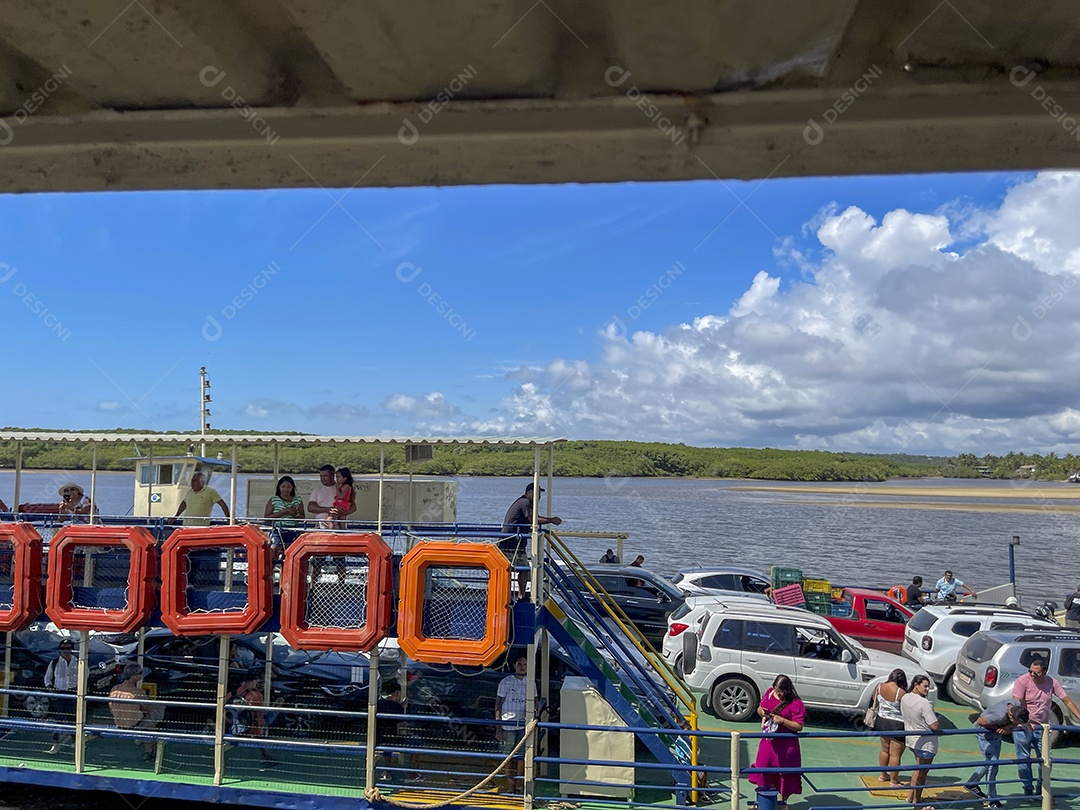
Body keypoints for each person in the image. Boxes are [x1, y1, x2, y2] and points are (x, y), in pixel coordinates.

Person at [1011, 657, 1080, 795]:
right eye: (1030, 671)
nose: (1031, 674)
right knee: (1023, 759)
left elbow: (1067, 701)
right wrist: (1024, 723)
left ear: (1044, 672)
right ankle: (1028, 790)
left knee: (1046, 760)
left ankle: (1042, 790)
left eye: (1035, 673)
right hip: (1023, 727)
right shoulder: (1022, 681)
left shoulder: (1051, 682)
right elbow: (1015, 704)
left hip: (1042, 727)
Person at [748, 674, 806, 805]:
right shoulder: (769, 693)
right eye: (777, 691)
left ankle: (782, 803)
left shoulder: (796, 703)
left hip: (786, 745)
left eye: (781, 693)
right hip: (768, 741)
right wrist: (762, 713)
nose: (778, 695)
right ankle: (761, 801)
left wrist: (783, 721)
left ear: (787, 690)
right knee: (762, 768)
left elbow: (799, 726)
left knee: (785, 774)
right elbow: (759, 708)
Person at [500, 483, 562, 600]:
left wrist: (547, 520)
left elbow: (535, 518)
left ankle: (520, 595)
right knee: (511, 569)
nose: (538, 497)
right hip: (509, 543)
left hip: (517, 543)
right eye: (536, 493)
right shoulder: (525, 502)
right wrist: (551, 520)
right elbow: (533, 520)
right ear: (529, 493)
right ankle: (509, 595)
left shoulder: (528, 505)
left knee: (523, 569)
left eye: (539, 494)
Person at [963, 700, 1029, 807]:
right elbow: (980, 721)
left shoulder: (1016, 705)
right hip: (984, 733)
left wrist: (1008, 727)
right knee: (992, 766)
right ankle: (992, 800)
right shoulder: (998, 716)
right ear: (1011, 715)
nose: (1017, 725)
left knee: (990, 763)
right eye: (1017, 722)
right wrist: (999, 728)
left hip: (996, 735)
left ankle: (971, 784)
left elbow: (1012, 723)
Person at [495, 654, 536, 796]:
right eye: (519, 664)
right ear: (514, 665)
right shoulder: (505, 682)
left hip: (523, 725)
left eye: (525, 664)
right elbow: (498, 704)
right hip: (508, 725)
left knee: (522, 757)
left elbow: (535, 702)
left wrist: (533, 720)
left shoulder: (531, 683)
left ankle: (519, 785)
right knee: (508, 757)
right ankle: (510, 786)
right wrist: (498, 727)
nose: (522, 667)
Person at [109, 663, 164, 759]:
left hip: (118, 722)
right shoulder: (138, 693)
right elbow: (146, 710)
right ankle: (149, 749)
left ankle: (143, 740)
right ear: (134, 676)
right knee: (159, 708)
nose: (142, 674)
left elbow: (110, 706)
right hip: (135, 725)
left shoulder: (114, 689)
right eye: (140, 673)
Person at [226, 669, 277, 771]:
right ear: (253, 681)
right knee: (275, 712)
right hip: (252, 730)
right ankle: (266, 757)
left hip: (234, 729)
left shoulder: (230, 694)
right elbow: (260, 716)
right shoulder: (256, 695)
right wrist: (259, 731)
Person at [901, 674, 939, 809]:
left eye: (928, 687)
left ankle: (911, 796)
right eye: (925, 686)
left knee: (917, 770)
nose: (927, 689)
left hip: (912, 739)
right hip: (925, 744)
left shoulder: (905, 698)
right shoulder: (924, 703)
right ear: (916, 685)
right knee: (921, 772)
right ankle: (917, 801)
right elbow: (934, 725)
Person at [872, 668, 908, 788]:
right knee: (895, 754)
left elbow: (874, 698)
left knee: (884, 750)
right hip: (897, 724)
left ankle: (883, 775)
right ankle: (893, 781)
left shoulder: (879, 686)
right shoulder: (900, 692)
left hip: (881, 721)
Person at [44, 638, 79, 754]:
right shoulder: (54, 662)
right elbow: (47, 679)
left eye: (68, 648)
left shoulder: (79, 662)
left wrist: (78, 688)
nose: (65, 651)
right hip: (59, 694)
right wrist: (51, 691)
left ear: (72, 649)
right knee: (58, 721)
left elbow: (85, 676)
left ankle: (76, 742)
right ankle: (56, 744)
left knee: (74, 720)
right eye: (63, 648)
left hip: (73, 694)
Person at [376, 682, 408, 782]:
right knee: (415, 743)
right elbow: (401, 725)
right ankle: (411, 771)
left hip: (377, 737)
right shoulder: (397, 707)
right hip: (392, 739)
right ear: (397, 693)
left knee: (387, 748)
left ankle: (387, 771)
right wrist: (403, 708)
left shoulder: (379, 704)